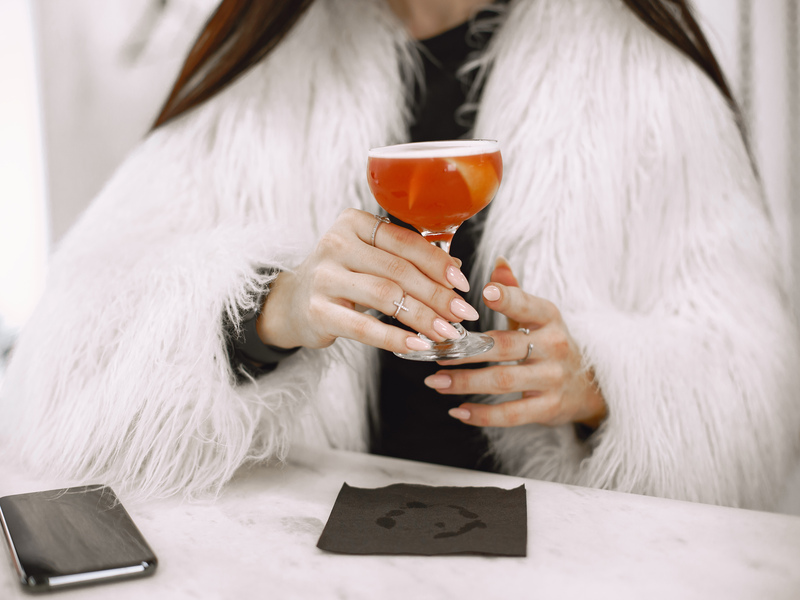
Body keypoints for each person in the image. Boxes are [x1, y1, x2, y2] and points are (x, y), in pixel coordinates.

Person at [1, 0, 798, 509]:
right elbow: (60, 369)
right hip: (306, 569)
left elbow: (754, 388)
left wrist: (599, 388)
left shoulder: (634, 62)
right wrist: (265, 310)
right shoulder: (265, 65)